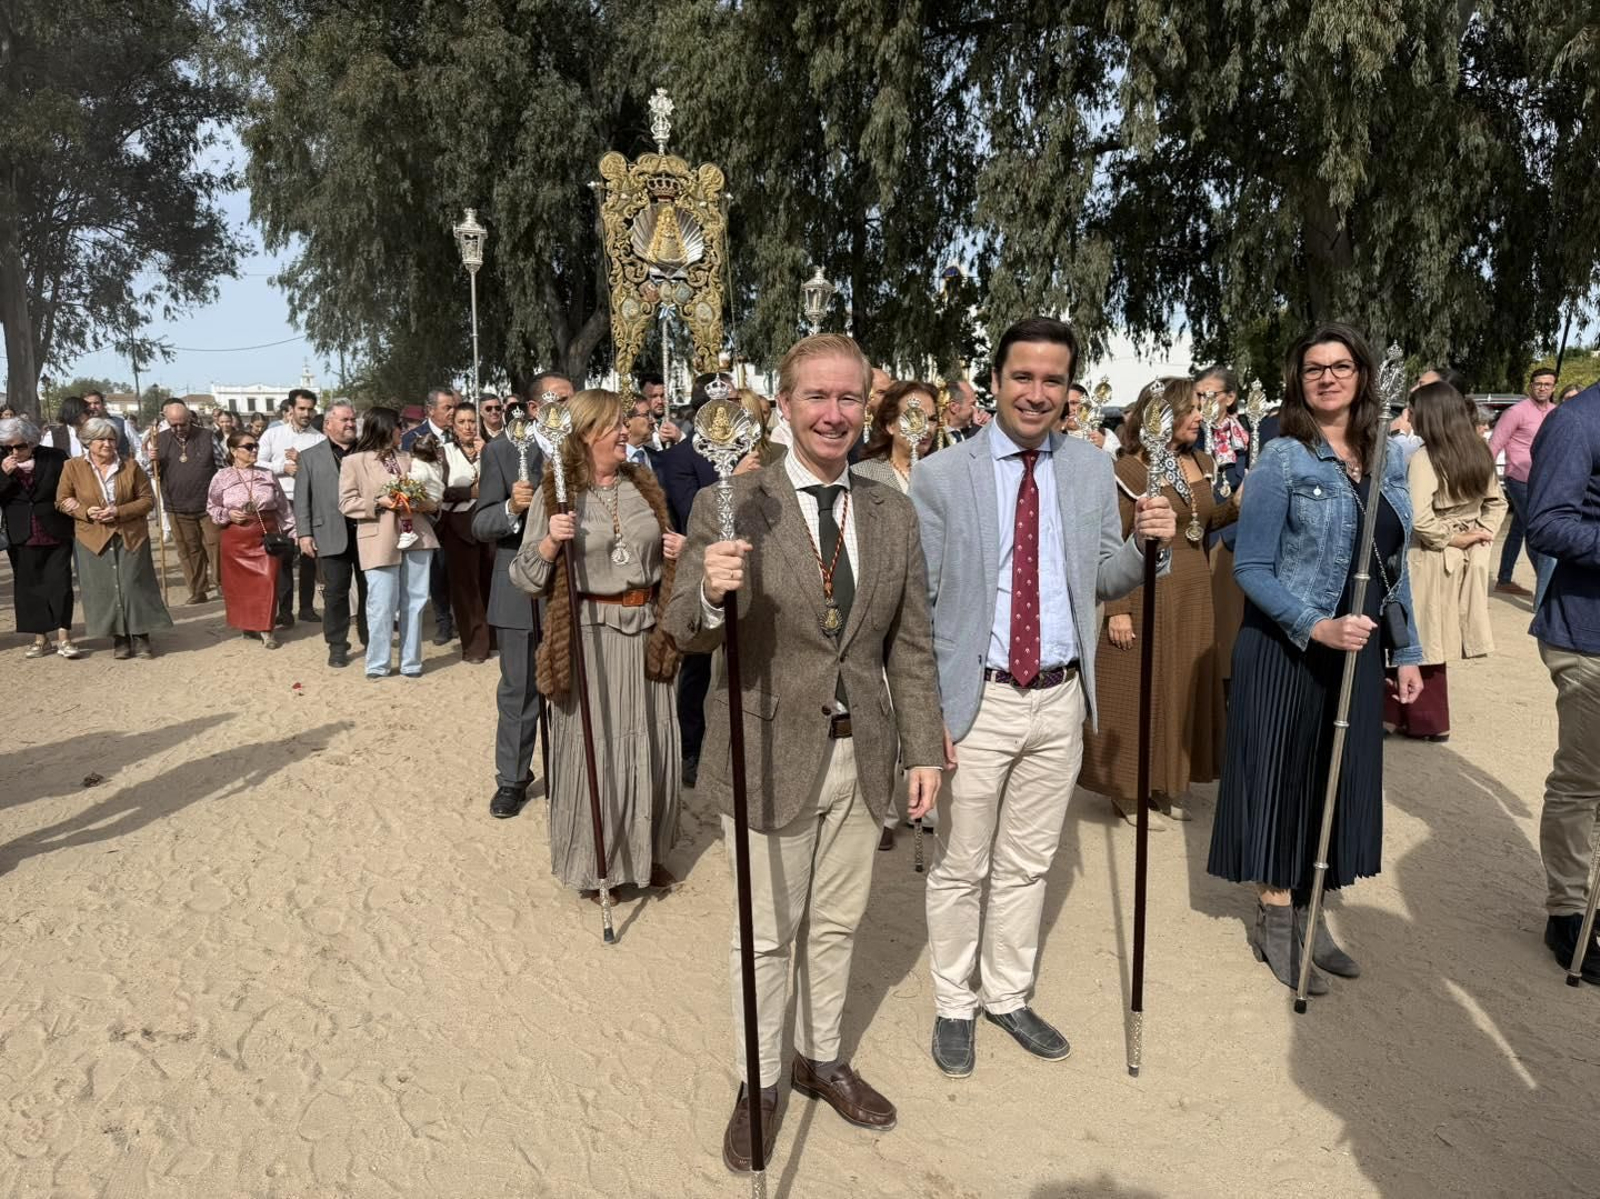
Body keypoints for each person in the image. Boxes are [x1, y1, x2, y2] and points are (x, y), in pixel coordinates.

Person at [662, 334, 944, 1173]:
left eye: (849, 398)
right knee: (768, 934)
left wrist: (924, 746)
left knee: (836, 923)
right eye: (816, 397)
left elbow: (912, 643)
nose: (833, 413)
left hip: (864, 754)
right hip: (767, 751)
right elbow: (680, 629)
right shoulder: (731, 501)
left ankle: (822, 1058)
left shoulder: (891, 507)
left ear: (870, 408)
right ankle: (761, 1079)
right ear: (781, 406)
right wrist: (708, 591)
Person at [911, 316, 1174, 1079]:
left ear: (1070, 390)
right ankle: (954, 1002)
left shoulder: (1090, 470)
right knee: (964, 862)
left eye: (1053, 380)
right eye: (1022, 376)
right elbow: (921, 608)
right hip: (980, 699)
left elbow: (1099, 575)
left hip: (1060, 696)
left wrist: (1146, 549)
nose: (1036, 392)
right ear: (993, 382)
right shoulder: (942, 475)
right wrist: (928, 716)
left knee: (1029, 861)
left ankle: (1007, 992)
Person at [1207, 323, 1425, 996]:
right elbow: (1251, 565)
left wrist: (1408, 649)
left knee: (1336, 777)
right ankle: (1277, 912)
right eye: (1313, 368)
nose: (1327, 377)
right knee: (1282, 774)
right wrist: (1315, 625)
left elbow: (1390, 564)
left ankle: (1312, 905)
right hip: (1286, 645)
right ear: (1298, 382)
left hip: (1358, 651)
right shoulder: (1282, 458)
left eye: (1339, 366)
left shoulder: (1385, 456)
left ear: (1362, 376)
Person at [510, 389, 686, 899]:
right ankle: (598, 861)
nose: (626, 432)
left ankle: (646, 854)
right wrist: (548, 541)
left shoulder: (643, 486)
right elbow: (524, 576)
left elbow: (664, 551)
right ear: (586, 435)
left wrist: (679, 548)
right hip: (589, 636)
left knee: (650, 743)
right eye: (615, 425)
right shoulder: (556, 493)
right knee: (600, 749)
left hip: (648, 629)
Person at [1080, 377, 1240, 827]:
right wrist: (1118, 609)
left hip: (1194, 591)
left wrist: (1238, 503)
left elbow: (1204, 521)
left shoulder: (1203, 461)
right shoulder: (1132, 470)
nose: (1198, 416)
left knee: (1180, 688)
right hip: (1146, 588)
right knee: (1139, 691)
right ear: (1164, 413)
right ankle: (1128, 791)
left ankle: (1168, 781)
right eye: (1191, 407)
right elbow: (1113, 542)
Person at [1524, 381, 1600, 981]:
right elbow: (1546, 525)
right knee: (1584, 780)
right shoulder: (1577, 423)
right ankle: (1569, 909)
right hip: (1587, 634)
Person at [1382, 381, 1505, 742]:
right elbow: (1496, 504)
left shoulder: (1425, 458)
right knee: (1436, 631)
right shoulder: (1478, 451)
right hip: (1459, 557)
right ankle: (1426, 720)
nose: (1409, 415)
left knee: (1413, 631)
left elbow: (1418, 517)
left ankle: (1399, 717)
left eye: (1413, 408)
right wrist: (1478, 535)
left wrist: (1460, 537)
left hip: (1427, 555)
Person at [473, 391, 548, 818]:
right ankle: (513, 778)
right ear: (535, 408)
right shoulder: (503, 451)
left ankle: (570, 768)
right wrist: (510, 507)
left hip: (577, 589)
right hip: (518, 589)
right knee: (519, 689)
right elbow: (482, 523)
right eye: (558, 399)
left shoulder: (586, 447)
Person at [657, 372, 733, 788]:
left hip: (750, 563)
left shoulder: (755, 453)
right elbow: (690, 511)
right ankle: (691, 747)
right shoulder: (680, 457)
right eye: (719, 404)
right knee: (698, 666)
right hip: (701, 564)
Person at [55, 418, 172, 658]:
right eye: (102, 439)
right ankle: (119, 638)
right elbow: (63, 499)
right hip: (92, 537)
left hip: (130, 534)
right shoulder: (72, 467)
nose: (108, 444)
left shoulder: (130, 466)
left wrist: (119, 511)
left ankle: (141, 636)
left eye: (111, 439)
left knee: (133, 585)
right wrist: (85, 512)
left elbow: (147, 500)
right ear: (88, 442)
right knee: (105, 588)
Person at [339, 406, 440, 678]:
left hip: (417, 536)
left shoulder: (411, 458)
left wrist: (419, 502)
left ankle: (411, 663)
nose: (403, 431)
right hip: (378, 539)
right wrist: (378, 503)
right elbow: (346, 502)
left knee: (416, 602)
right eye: (399, 426)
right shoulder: (354, 462)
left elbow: (433, 494)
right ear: (385, 427)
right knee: (381, 603)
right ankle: (378, 663)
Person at [292, 400, 368, 667]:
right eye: (344, 420)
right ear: (328, 425)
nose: (350, 424)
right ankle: (337, 645)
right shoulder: (310, 456)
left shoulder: (368, 451)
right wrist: (304, 534)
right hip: (330, 535)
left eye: (352, 419)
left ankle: (370, 640)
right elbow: (302, 499)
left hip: (369, 533)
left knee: (371, 591)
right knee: (335, 593)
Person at [207, 431, 296, 649]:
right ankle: (248, 624)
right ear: (233, 451)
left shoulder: (267, 475)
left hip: (265, 535)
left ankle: (267, 629)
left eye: (255, 445)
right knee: (242, 586)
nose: (254, 450)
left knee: (268, 580)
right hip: (236, 539)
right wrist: (228, 515)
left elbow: (283, 507)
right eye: (248, 447)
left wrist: (294, 533)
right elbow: (212, 506)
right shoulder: (221, 477)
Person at [0, 417, 79, 658]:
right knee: (29, 587)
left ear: (32, 442)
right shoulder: (2, 462)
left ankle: (65, 637)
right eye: (7, 447)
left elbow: (70, 487)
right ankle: (41, 638)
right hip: (21, 532)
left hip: (55, 528)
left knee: (60, 584)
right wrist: (4, 475)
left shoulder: (55, 457)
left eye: (20, 446)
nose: (14, 452)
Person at [255, 388, 325, 627]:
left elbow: (326, 472)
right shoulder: (272, 435)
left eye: (310, 409)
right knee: (282, 557)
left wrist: (303, 462)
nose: (306, 413)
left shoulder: (319, 439)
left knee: (308, 556)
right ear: (291, 409)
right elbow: (256, 462)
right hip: (280, 503)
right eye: (301, 408)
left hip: (309, 502)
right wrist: (282, 467)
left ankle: (306, 607)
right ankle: (285, 611)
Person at [1490, 368, 1558, 596]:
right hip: (1519, 478)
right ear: (1531, 385)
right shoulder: (1516, 412)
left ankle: (1504, 578)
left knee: (1519, 528)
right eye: (1538, 383)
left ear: (1554, 387)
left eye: (1547, 384)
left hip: (1544, 480)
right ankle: (1546, 587)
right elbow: (1495, 444)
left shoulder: (1557, 412)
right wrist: (1483, 480)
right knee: (1535, 529)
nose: (1542, 388)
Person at [148, 400, 221, 605]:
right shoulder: (158, 440)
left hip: (208, 504)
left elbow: (223, 467)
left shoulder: (207, 436)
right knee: (189, 550)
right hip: (177, 505)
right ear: (167, 421)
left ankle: (222, 584)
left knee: (216, 546)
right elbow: (151, 473)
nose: (179, 429)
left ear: (190, 420)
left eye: (183, 424)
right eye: (174, 425)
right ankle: (197, 590)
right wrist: (151, 459)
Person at [439, 402, 495, 663]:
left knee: (490, 583)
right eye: (462, 422)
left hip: (489, 525)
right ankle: (474, 646)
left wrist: (490, 454)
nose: (468, 426)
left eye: (472, 421)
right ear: (453, 425)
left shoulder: (490, 450)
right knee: (465, 589)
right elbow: (438, 490)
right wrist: (468, 492)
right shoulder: (444, 453)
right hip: (458, 527)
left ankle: (494, 638)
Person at [83, 391, 132, 458]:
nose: (93, 406)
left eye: (96, 403)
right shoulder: (81, 427)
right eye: (88, 404)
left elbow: (139, 447)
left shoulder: (121, 423)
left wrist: (133, 466)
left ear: (103, 404)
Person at [623, 396, 663, 471]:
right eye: (646, 415)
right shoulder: (614, 461)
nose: (653, 421)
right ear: (627, 421)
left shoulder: (658, 459)